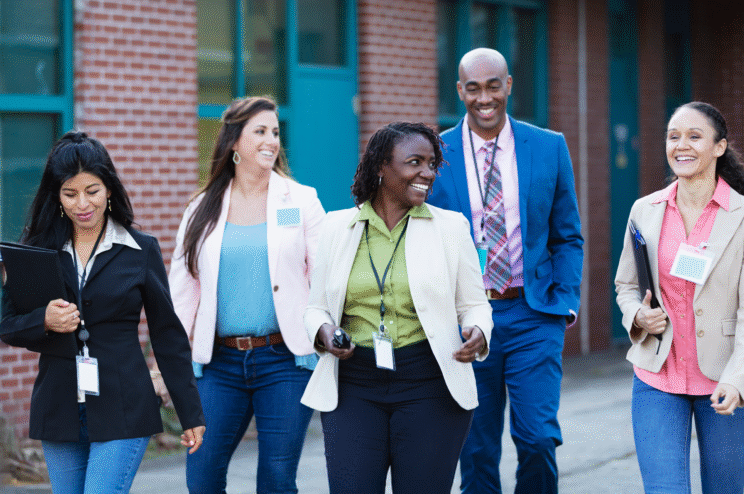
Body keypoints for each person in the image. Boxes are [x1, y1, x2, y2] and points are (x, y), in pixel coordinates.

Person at [0, 131, 205, 494]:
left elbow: (167, 335)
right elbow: (9, 327)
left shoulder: (140, 250)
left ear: (109, 189)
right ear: (56, 196)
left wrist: (190, 412)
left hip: (124, 406)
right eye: (70, 194)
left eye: (92, 191)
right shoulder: (37, 250)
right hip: (59, 409)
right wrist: (44, 320)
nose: (82, 204)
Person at [301, 121, 493, 493]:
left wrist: (478, 331)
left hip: (429, 382)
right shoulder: (336, 228)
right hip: (353, 385)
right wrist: (324, 332)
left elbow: (474, 304)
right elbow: (316, 309)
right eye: (415, 162)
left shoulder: (451, 228)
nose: (428, 173)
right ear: (381, 167)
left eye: (432, 164)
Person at [425, 47, 583, 494]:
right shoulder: (436, 152)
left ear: (508, 85)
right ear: (460, 90)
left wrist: (565, 302)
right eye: (473, 88)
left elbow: (567, 236)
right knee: (476, 447)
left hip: (533, 313)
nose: (484, 98)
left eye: (493, 86)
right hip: (466, 319)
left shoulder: (549, 146)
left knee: (537, 438)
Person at [169, 96, 325, 493]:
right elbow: (182, 292)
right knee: (202, 475)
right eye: (260, 131)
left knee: (276, 477)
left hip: (285, 360)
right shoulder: (201, 208)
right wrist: (165, 364)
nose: (271, 140)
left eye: (275, 132)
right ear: (234, 141)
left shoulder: (300, 201)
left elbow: (324, 275)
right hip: (219, 363)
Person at [614, 101, 744, 493]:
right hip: (657, 374)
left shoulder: (741, 216)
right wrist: (638, 316)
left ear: (719, 147)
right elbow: (626, 286)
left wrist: (737, 380)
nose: (681, 145)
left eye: (694, 136)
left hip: (724, 380)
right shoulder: (645, 210)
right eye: (673, 136)